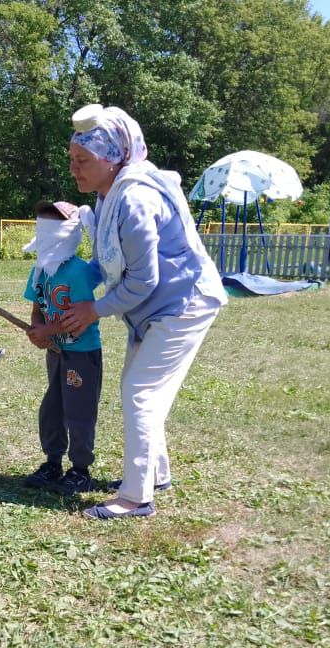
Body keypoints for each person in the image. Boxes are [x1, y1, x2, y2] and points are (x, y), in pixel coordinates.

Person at [59, 104, 227, 519]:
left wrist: (94, 309)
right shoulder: (109, 195)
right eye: (72, 161)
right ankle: (156, 476)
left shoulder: (134, 199)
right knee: (141, 390)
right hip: (155, 308)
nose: (75, 169)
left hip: (185, 304)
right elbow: (108, 259)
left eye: (83, 161)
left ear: (112, 158)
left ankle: (136, 498)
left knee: (141, 393)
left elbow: (142, 281)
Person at [23, 201, 103, 495]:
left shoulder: (78, 272)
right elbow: (37, 306)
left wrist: (49, 330)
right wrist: (36, 329)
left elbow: (79, 317)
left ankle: (80, 470)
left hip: (81, 353)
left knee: (78, 411)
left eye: (51, 228)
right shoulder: (41, 270)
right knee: (53, 407)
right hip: (55, 353)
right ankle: (53, 462)